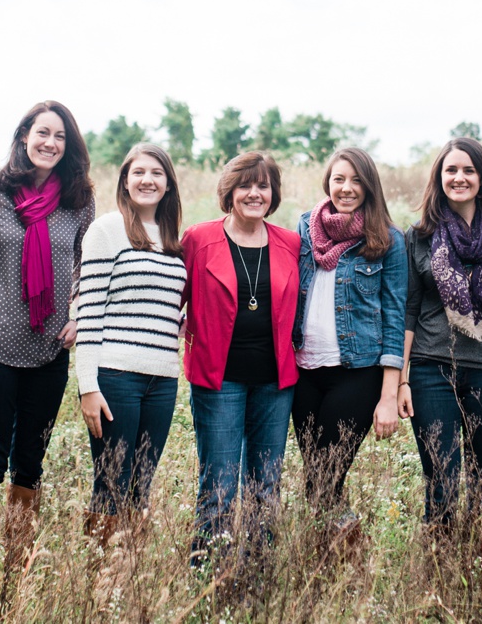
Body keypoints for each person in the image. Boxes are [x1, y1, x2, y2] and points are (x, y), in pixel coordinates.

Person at [0, 100, 95, 564]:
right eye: (42, 133)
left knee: (30, 460)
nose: (50, 143)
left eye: (60, 137)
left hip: (49, 347)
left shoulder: (79, 202)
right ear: (24, 136)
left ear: (68, 146)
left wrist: (78, 312)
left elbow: (86, 268)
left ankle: (15, 568)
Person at [397, 137, 482, 551]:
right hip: (432, 370)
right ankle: (442, 570)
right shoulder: (419, 236)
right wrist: (402, 380)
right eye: (451, 170)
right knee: (441, 481)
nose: (460, 177)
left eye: (468, 170)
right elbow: (408, 309)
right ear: (439, 178)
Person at [180, 151, 300, 566]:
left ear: (273, 193)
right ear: (229, 192)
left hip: (275, 382)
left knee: (266, 485)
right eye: (245, 185)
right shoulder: (197, 239)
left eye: (263, 185)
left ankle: (256, 576)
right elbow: (170, 296)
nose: (255, 193)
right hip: (219, 381)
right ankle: (206, 576)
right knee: (219, 484)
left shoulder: (291, 243)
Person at [291, 147, 405, 545]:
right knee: (319, 479)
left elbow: (395, 317)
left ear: (369, 185)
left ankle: (346, 558)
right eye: (339, 178)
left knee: (325, 475)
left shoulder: (389, 239)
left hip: (356, 373)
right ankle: (334, 568)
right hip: (303, 371)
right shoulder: (306, 227)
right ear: (328, 182)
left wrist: (389, 395)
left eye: (356, 180)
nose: (347, 188)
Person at [73, 143, 187, 544]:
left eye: (156, 173)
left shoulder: (176, 240)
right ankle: (101, 585)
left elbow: (172, 307)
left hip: (163, 380)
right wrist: (88, 386)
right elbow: (88, 312)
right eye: (138, 172)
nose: (147, 180)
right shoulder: (106, 229)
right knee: (111, 483)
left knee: (142, 485)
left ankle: (127, 575)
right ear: (125, 180)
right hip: (116, 377)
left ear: (168, 184)